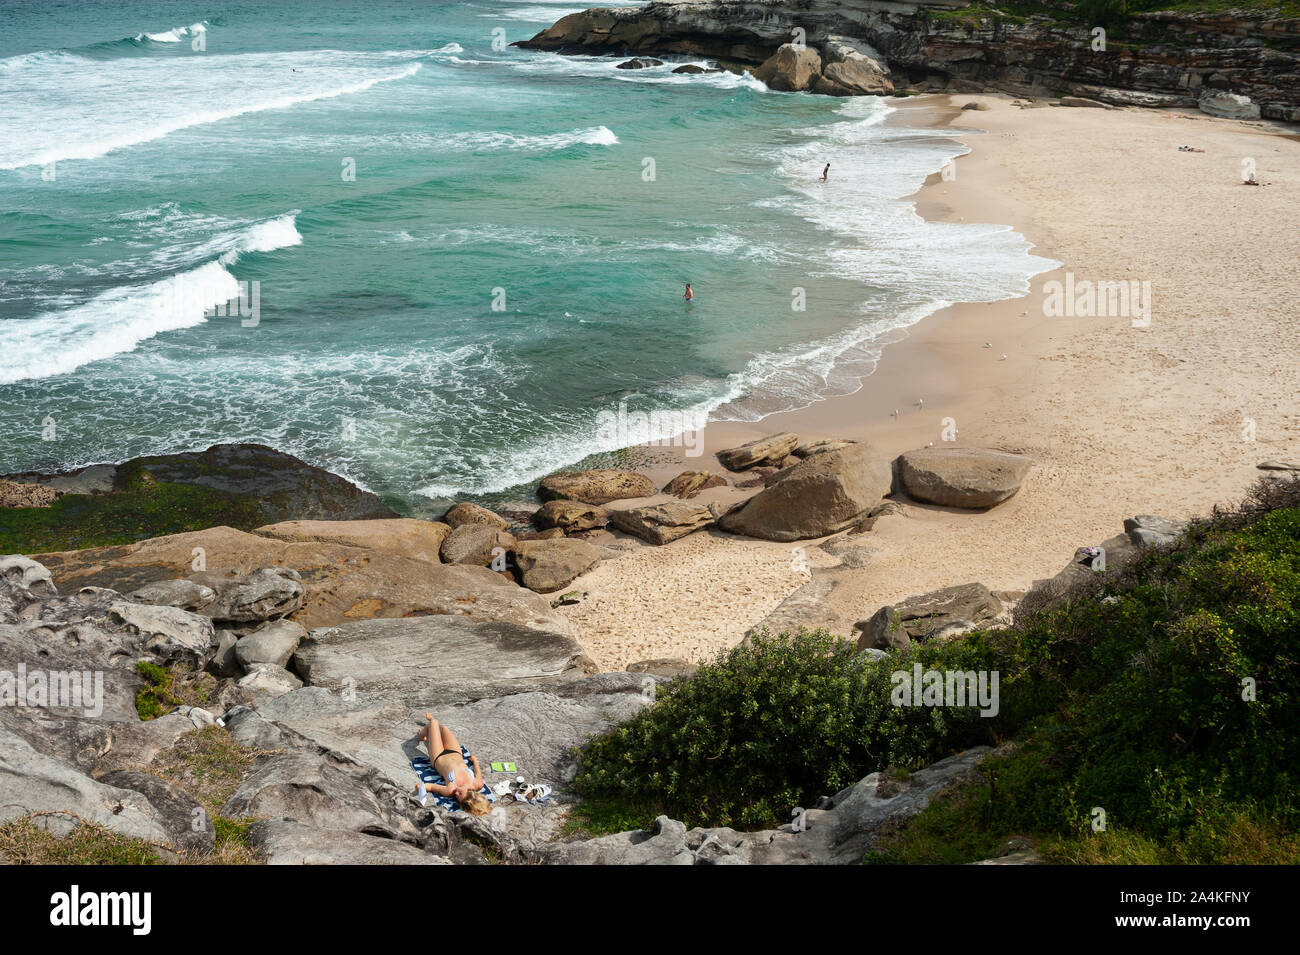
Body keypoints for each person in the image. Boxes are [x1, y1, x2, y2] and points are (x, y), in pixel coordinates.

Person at [416, 713, 491, 815]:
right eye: (460, 793)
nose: (456, 793)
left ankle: (423, 732)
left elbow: (429, 787)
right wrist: (475, 761)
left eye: (456, 797)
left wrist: (420, 787)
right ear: (472, 793)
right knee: (444, 728)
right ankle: (424, 732)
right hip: (455, 752)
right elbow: (478, 773)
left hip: (438, 756)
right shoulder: (478, 784)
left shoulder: (450, 789)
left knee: (434, 722)